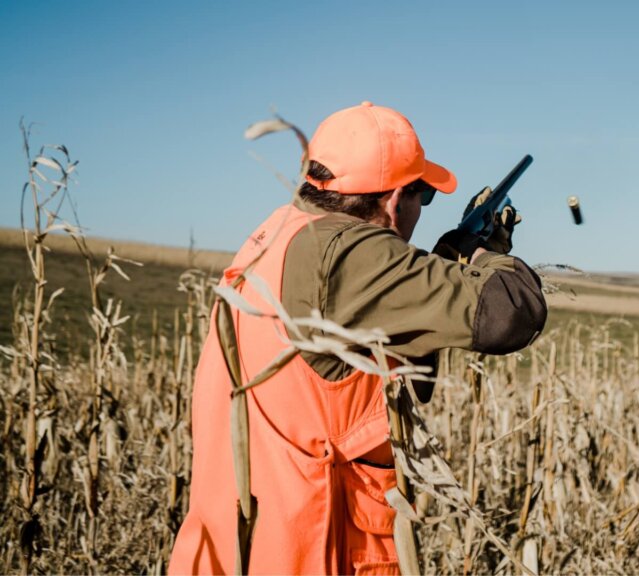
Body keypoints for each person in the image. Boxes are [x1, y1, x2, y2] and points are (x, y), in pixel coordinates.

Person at [169, 101, 547, 575]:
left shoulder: (281, 233)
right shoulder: (346, 253)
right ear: (392, 200)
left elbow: (395, 374)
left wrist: (447, 255)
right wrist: (487, 255)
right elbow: (511, 312)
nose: (418, 211)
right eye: (422, 197)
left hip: (234, 545)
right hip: (309, 549)